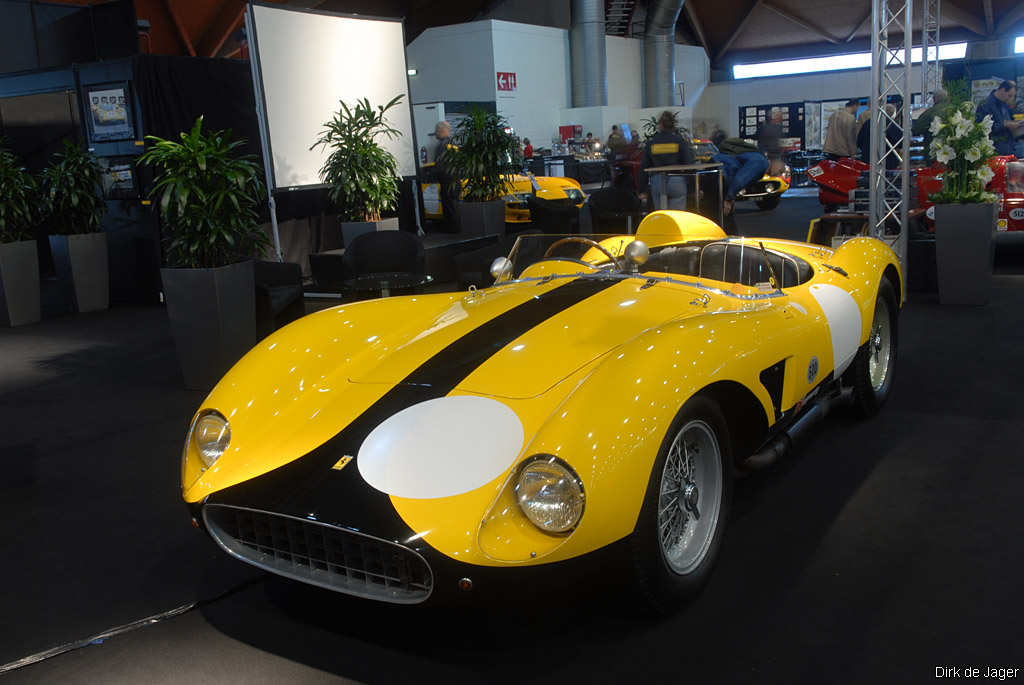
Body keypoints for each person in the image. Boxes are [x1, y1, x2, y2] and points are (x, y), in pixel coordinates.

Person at [638, 110, 697, 211]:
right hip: (677, 181)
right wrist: (694, 188)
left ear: (660, 125)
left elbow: (643, 167)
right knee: (677, 216)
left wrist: (642, 190)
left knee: (662, 216)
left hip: (658, 181)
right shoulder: (679, 141)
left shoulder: (652, 143)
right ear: (673, 125)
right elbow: (689, 164)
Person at [711, 132, 769, 217]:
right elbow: (741, 179)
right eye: (780, 170)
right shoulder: (761, 162)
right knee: (723, 215)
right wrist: (729, 198)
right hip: (720, 173)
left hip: (718, 167)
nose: (778, 173)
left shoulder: (756, 156)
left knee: (719, 214)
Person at [976, 80, 1023, 157]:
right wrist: (1004, 124)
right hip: (994, 152)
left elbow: (1010, 126)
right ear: (1003, 90)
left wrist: (1017, 126)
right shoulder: (985, 104)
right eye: (1009, 95)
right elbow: (982, 129)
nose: (1010, 99)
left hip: (1009, 151)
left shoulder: (1006, 106)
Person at [434, 120, 461, 233]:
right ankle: (457, 231)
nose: (435, 133)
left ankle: (453, 233)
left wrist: (437, 176)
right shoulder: (454, 144)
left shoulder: (442, 145)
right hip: (456, 180)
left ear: (440, 129)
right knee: (454, 208)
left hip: (447, 181)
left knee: (449, 209)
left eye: (436, 130)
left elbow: (440, 165)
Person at [911, 89, 950, 162]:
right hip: (953, 152)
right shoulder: (956, 110)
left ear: (934, 99)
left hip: (934, 152)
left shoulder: (929, 113)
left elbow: (916, 130)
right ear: (947, 97)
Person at [857, 104, 901, 169]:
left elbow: (859, 142)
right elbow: (900, 142)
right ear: (891, 113)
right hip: (887, 162)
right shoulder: (890, 124)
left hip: (868, 161)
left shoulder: (867, 122)